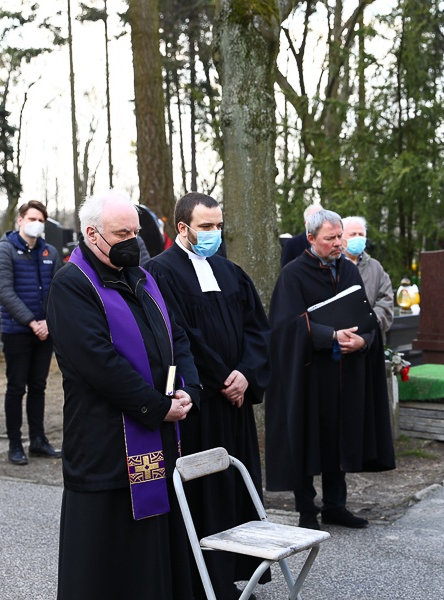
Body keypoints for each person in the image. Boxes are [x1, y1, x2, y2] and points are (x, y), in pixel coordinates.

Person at [47, 192, 201, 600]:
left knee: (155, 550)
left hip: (160, 436)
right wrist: (157, 406)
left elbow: (177, 336)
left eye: (136, 230)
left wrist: (188, 389)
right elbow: (98, 364)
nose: (133, 240)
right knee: (108, 560)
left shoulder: (143, 275)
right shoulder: (72, 284)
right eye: (122, 233)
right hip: (106, 446)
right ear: (92, 234)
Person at [146, 192, 271, 600]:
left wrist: (247, 375)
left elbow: (258, 329)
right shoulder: (159, 273)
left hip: (235, 403)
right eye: (205, 226)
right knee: (205, 495)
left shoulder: (230, 271)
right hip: (201, 405)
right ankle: (203, 581)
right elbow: (182, 338)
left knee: (236, 489)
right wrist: (222, 378)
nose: (214, 233)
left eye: (218, 226)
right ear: (182, 228)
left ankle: (238, 576)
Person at [266, 209, 396, 531]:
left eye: (340, 237)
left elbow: (367, 319)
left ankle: (336, 505)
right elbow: (286, 327)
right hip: (309, 376)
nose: (339, 243)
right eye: (331, 238)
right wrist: (330, 336)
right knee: (307, 438)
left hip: (344, 374)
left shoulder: (349, 273)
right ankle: (306, 510)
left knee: (340, 438)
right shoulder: (293, 275)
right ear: (311, 239)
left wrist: (363, 342)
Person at [0, 200, 62, 465]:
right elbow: (5, 291)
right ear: (20, 220)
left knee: (39, 387)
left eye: (41, 220)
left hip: (45, 332)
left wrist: (48, 323)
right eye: (32, 218)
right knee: (16, 387)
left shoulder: (50, 252)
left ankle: (38, 440)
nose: (37, 224)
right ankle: (14, 444)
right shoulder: (5, 250)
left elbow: (57, 289)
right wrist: (32, 322)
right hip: (17, 331)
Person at [341, 215, 394, 342]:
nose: (357, 238)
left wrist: (369, 322)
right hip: (340, 339)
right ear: (341, 239)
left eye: (361, 234)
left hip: (371, 339)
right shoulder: (332, 265)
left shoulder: (376, 267)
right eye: (353, 234)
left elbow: (386, 300)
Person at [280, 203, 323, 268]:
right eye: (313, 220)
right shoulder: (292, 244)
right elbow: (286, 273)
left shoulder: (333, 242)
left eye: (321, 219)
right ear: (305, 223)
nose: (318, 224)